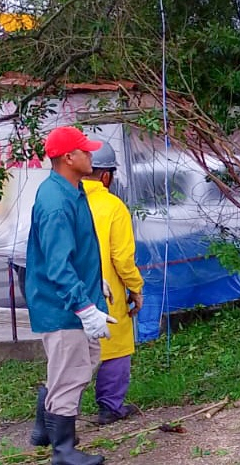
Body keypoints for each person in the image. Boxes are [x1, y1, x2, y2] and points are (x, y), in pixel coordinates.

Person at [27, 126, 114, 465]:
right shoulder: (56, 202)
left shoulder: (71, 190)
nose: (92, 155)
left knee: (81, 362)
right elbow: (57, 265)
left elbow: (74, 251)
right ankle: (62, 451)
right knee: (72, 371)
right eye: (85, 151)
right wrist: (84, 306)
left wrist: (95, 281)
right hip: (63, 306)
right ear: (68, 157)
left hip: (73, 298)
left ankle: (45, 428)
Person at [82, 143, 144, 425]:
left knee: (72, 354)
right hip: (107, 292)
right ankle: (110, 406)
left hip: (70, 290)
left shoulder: (63, 202)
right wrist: (135, 287)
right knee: (117, 346)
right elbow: (122, 258)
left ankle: (57, 415)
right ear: (106, 176)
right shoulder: (112, 206)